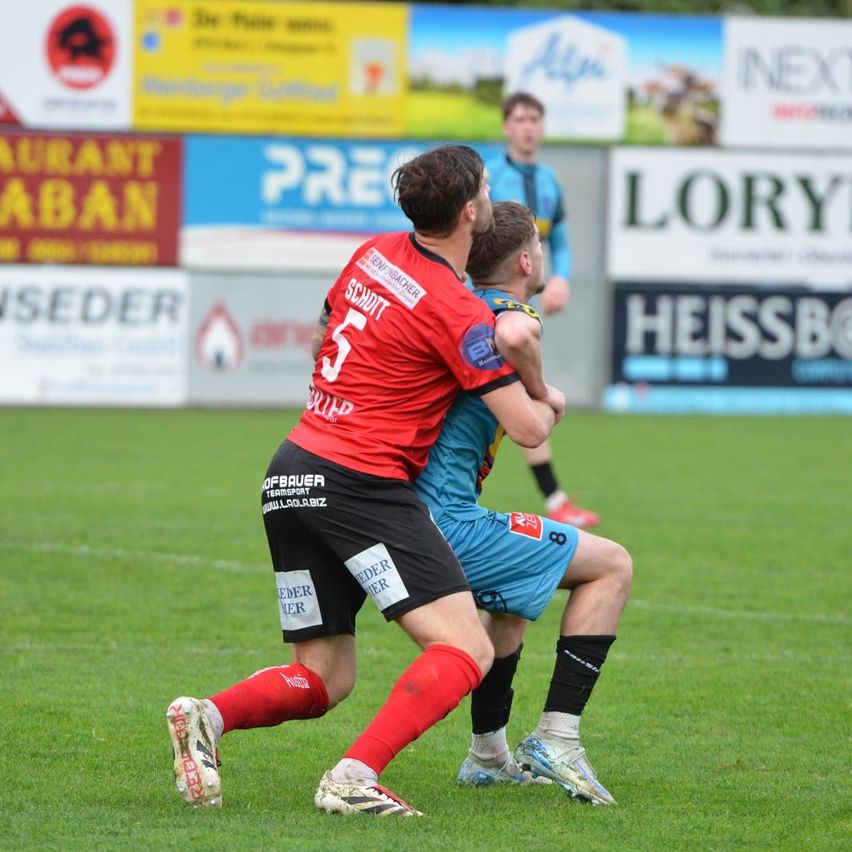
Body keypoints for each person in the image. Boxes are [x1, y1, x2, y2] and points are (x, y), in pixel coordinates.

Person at [165, 145, 566, 818]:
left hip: (291, 473)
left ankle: (207, 715)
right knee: (464, 645)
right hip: (361, 483)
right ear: (470, 211)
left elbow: (327, 327)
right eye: (489, 188)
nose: (493, 196)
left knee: (324, 675)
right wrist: (544, 391)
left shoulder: (375, 250)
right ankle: (354, 776)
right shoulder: (458, 311)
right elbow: (528, 431)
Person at [414, 202, 632, 805]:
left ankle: (487, 756)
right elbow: (515, 333)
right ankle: (558, 739)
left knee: (510, 604)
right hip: (445, 523)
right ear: (527, 259)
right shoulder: (506, 312)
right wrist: (544, 392)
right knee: (612, 565)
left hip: (412, 512)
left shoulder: (455, 309)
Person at [485, 91, 599, 529]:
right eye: (519, 118)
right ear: (506, 127)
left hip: (520, 304)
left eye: (535, 118)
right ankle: (554, 500)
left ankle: (554, 498)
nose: (528, 126)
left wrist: (561, 278)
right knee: (522, 397)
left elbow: (561, 241)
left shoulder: (550, 181)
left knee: (520, 396)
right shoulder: (490, 175)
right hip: (489, 305)